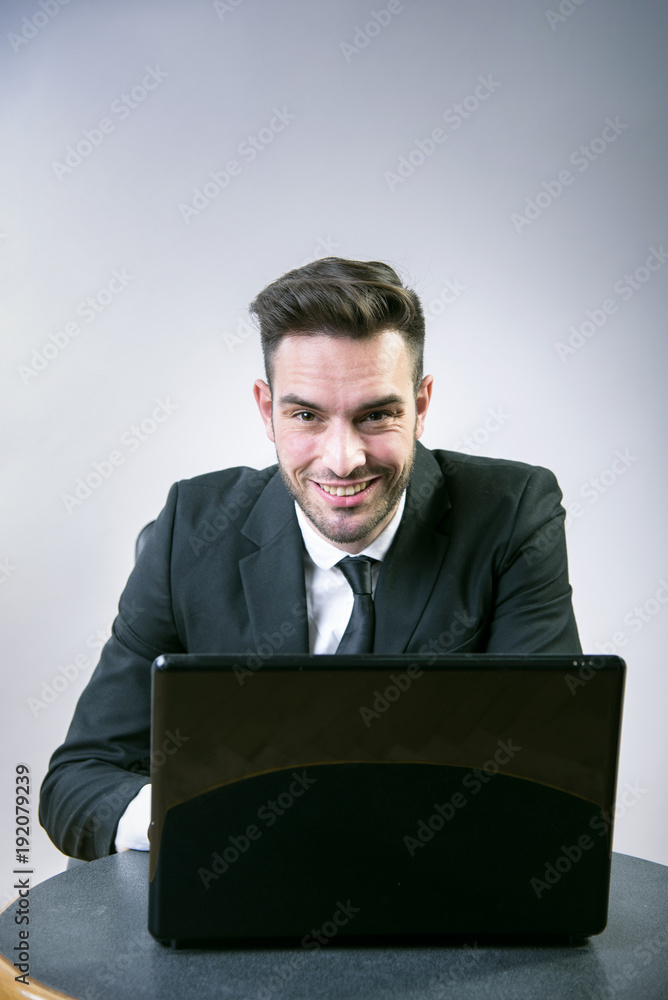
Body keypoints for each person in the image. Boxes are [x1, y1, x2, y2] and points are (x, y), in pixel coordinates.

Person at [39, 257, 581, 861]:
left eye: (377, 415)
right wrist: (195, 817)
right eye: (306, 416)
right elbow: (78, 784)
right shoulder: (188, 531)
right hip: (238, 899)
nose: (343, 459)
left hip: (437, 902)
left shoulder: (512, 516)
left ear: (421, 405)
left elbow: (549, 778)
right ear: (265, 409)